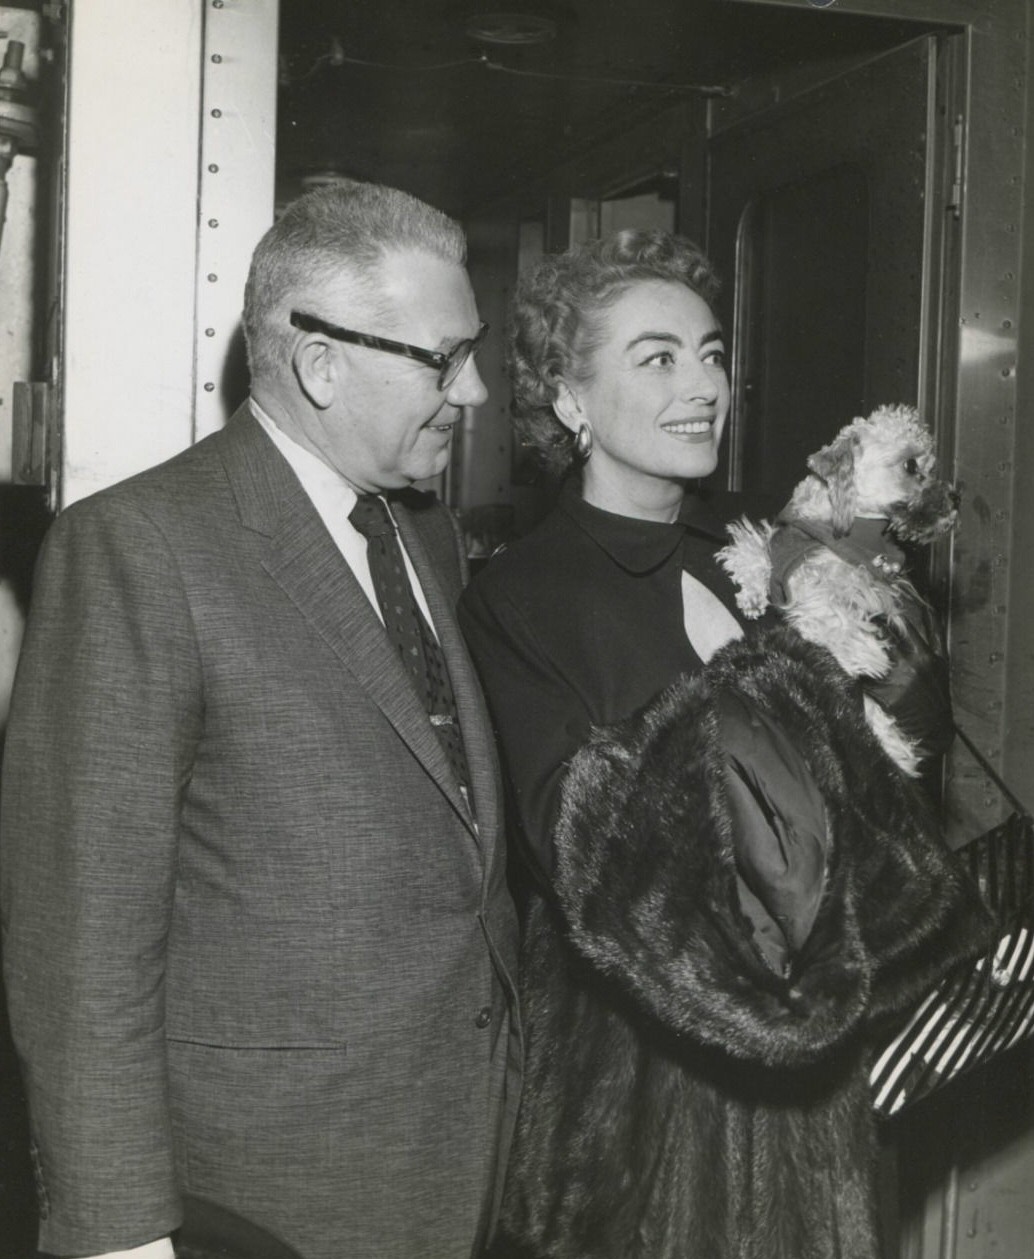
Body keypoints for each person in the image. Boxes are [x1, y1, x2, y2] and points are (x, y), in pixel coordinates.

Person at [1, 181, 521, 1259]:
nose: (470, 390)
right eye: (443, 357)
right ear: (321, 363)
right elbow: (79, 937)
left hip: (452, 1165)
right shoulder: (140, 546)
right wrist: (118, 1234)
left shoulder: (423, 534)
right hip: (254, 1194)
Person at [458, 229, 988, 1258]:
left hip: (815, 1095)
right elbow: (595, 862)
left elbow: (863, 821)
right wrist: (792, 677)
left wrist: (911, 704)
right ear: (568, 399)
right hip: (645, 1117)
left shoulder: (753, 561)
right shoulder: (519, 600)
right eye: (654, 357)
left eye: (709, 355)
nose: (700, 383)